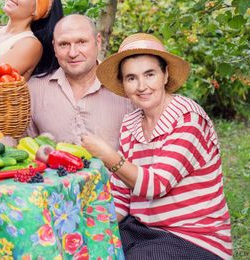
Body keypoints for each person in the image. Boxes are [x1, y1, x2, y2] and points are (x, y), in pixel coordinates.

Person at [81, 33, 233, 260]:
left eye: (149, 74)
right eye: (131, 78)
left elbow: (156, 185)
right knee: (90, 248)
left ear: (165, 75)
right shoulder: (130, 123)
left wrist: (107, 156)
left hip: (194, 238)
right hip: (145, 230)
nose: (142, 86)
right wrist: (88, 227)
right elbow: (122, 196)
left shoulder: (187, 118)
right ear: (123, 84)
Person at [27, 14, 134, 149]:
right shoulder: (33, 90)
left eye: (82, 42)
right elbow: (25, 150)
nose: (73, 53)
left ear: (98, 42)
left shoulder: (126, 89)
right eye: (64, 44)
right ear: (54, 47)